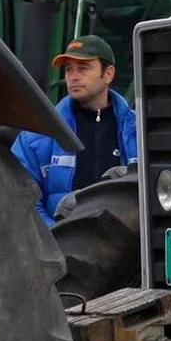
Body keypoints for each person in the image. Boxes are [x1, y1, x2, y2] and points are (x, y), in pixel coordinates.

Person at [12, 35, 138, 226]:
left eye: (83, 68)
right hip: (63, 248)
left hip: (130, 247)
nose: (73, 76)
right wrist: (56, 240)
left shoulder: (141, 131)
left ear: (108, 74)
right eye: (68, 69)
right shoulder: (37, 135)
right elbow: (21, 197)